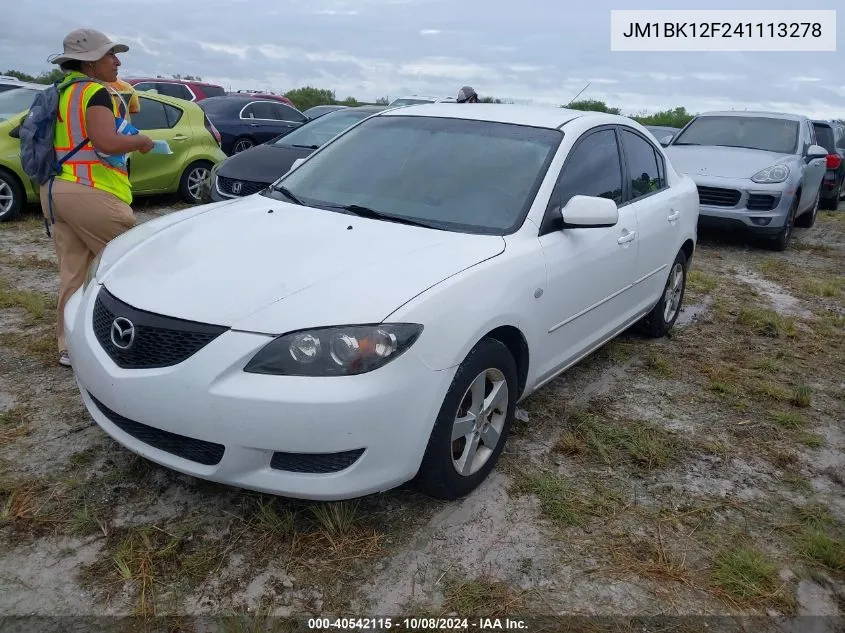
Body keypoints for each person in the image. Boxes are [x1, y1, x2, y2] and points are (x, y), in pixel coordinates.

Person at [44, 28, 154, 367]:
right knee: (132, 267)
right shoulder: (95, 93)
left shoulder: (61, 92)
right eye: (110, 55)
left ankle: (68, 347)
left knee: (74, 272)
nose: (117, 61)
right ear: (91, 62)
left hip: (57, 190)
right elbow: (106, 142)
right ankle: (138, 345)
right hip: (92, 193)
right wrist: (141, 141)